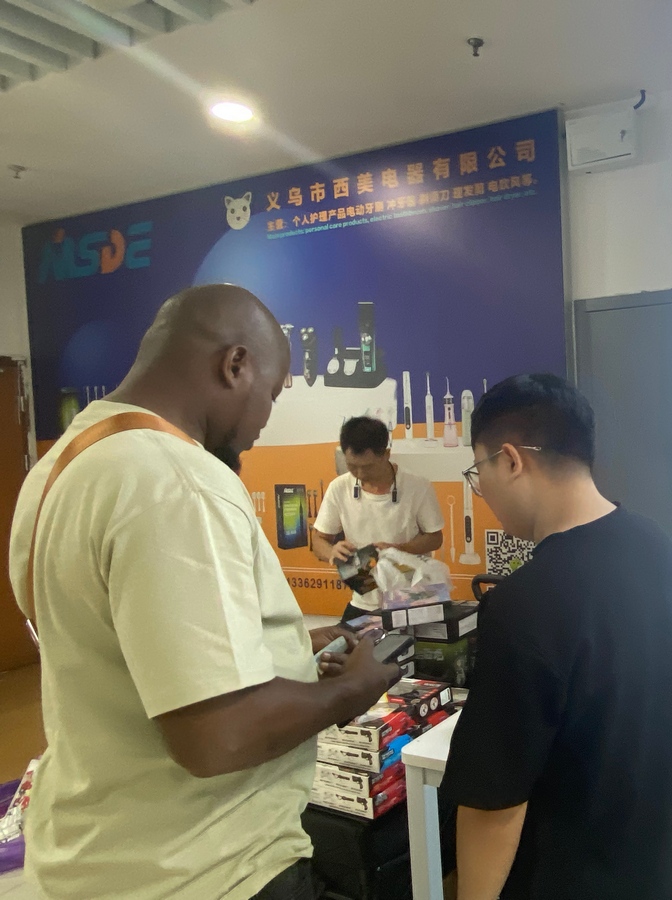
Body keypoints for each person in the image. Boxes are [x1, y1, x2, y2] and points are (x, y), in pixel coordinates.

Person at [8, 284, 403, 900]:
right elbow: (219, 734)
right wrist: (356, 688)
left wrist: (286, 647)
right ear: (234, 364)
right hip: (211, 868)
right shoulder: (178, 481)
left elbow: (124, 646)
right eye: (269, 398)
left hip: (94, 856)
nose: (262, 426)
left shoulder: (61, 468)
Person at [440, 373, 672, 900]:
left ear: (510, 460)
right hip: (651, 871)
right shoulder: (658, 548)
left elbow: (495, 803)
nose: (480, 489)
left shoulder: (526, 601)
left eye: (477, 470)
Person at [312, 416, 445, 619]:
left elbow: (435, 538)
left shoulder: (418, 486)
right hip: (363, 599)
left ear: (386, 454)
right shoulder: (339, 487)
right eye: (351, 466)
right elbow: (318, 539)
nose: (359, 473)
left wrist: (398, 549)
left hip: (410, 597)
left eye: (367, 467)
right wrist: (332, 551)